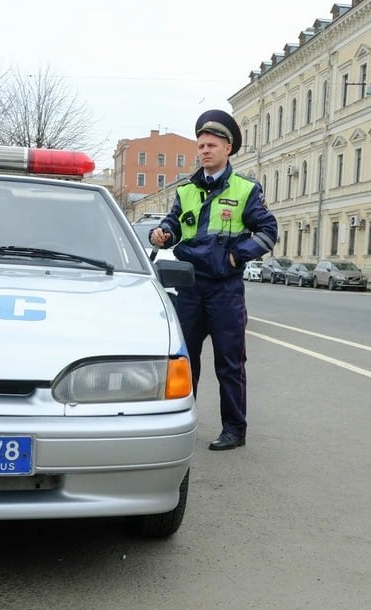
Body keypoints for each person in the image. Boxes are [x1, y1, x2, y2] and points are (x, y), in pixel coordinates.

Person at [149, 109, 277, 451]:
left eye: (211, 145)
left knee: (230, 363)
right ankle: (182, 424)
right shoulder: (187, 190)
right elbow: (174, 224)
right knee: (185, 361)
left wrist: (236, 256)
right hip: (190, 288)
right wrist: (161, 233)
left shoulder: (246, 189)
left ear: (228, 148)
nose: (204, 150)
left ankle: (234, 429)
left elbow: (268, 231)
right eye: (201, 145)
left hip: (225, 290)